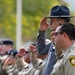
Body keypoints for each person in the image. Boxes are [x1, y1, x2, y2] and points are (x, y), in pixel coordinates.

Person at [36, 5, 71, 75]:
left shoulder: (69, 39)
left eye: (52, 20)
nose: (50, 23)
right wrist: (42, 31)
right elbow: (41, 51)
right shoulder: (56, 38)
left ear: (61, 21)